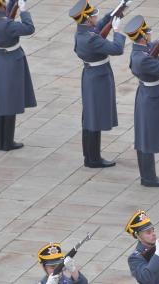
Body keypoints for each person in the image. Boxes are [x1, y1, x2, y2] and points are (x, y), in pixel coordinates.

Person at [69, 0, 126, 168]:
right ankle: (93, 159)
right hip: (98, 78)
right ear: (87, 19)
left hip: (91, 76)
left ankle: (90, 156)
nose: (97, 17)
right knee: (94, 117)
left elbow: (100, 25)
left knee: (90, 117)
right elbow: (117, 49)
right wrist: (116, 30)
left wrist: (118, 9)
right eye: (93, 15)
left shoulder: (84, 31)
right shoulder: (91, 39)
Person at [124, 15, 159, 187]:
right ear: (142, 35)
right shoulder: (143, 58)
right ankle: (148, 178)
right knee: (146, 137)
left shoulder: (140, 49)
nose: (150, 35)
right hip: (150, 96)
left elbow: (155, 45)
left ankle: (147, 175)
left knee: (144, 135)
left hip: (148, 93)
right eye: (148, 32)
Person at [0, 0, 36, 151]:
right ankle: (8, 142)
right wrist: (24, 11)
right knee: (10, 100)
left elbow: (7, 16)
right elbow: (29, 28)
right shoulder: (6, 25)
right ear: (0, 4)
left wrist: (14, 3)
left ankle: (1, 141)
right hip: (12, 61)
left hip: (0, 59)